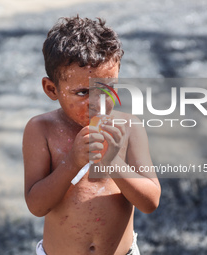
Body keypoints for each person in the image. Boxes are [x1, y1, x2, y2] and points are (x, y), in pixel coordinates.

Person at [23, 15, 161, 255]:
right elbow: (36, 206)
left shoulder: (129, 127)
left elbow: (150, 202)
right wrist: (72, 162)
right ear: (51, 89)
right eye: (83, 92)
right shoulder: (41, 130)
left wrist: (113, 162)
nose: (97, 103)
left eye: (107, 89)